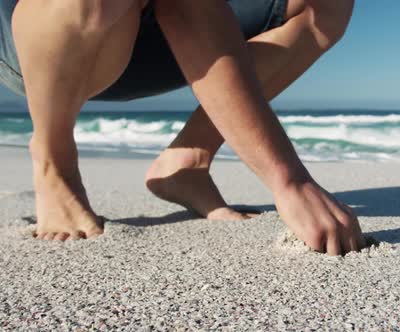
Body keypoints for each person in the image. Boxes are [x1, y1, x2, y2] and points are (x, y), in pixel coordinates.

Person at [0, 0, 364, 255]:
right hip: (37, 38)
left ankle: (187, 162)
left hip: (145, 35)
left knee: (326, 4)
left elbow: (192, 9)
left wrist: (288, 179)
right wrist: (288, 179)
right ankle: (54, 159)